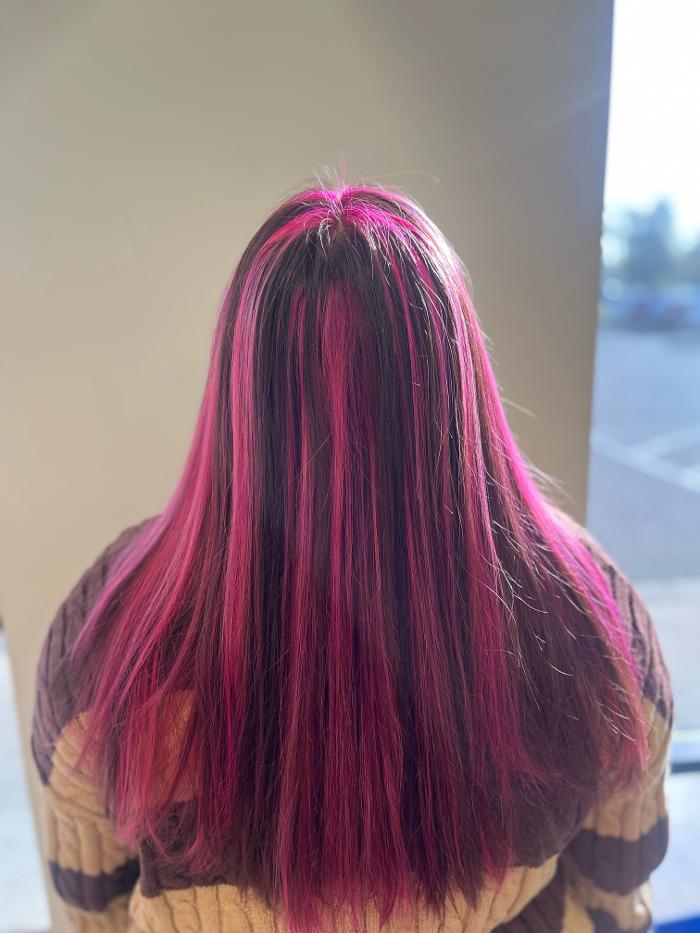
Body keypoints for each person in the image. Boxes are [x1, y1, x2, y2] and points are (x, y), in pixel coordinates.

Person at [32, 183, 672, 933]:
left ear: (240, 383)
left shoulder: (108, 637)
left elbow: (93, 904)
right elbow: (616, 888)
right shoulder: (593, 619)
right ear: (458, 378)